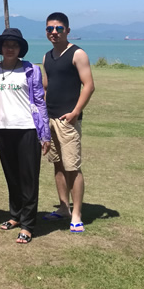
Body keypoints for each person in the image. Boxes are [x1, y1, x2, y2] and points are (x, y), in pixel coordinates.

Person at [0, 28, 51, 244]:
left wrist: (45, 133)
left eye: (14, 45)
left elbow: (39, 101)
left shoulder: (31, 70)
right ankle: (15, 215)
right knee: (11, 176)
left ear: (20, 48)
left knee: (28, 178)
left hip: (27, 129)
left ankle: (28, 225)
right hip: (2, 129)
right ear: (1, 48)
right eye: (6, 45)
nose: (10, 48)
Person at [42, 12, 95, 233]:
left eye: (59, 28)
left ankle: (76, 214)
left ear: (67, 30)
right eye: (50, 29)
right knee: (58, 164)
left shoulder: (77, 54)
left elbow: (89, 85)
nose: (54, 32)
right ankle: (63, 208)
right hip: (51, 118)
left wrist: (75, 112)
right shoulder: (47, 56)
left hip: (68, 120)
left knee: (73, 167)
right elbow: (46, 87)